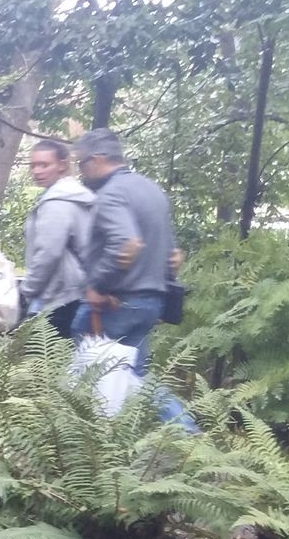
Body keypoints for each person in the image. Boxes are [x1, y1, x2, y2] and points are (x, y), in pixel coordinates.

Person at [69, 129, 181, 373]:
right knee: (133, 380)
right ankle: (181, 414)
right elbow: (174, 257)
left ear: (97, 159)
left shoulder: (111, 194)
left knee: (90, 375)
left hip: (116, 304)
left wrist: (97, 287)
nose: (81, 171)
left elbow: (127, 244)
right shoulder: (151, 189)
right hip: (151, 302)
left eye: (81, 164)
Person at [20, 139, 95, 339]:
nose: (37, 171)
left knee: (46, 363)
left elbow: (48, 253)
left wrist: (28, 289)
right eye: (33, 165)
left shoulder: (58, 202)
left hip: (59, 296)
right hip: (79, 292)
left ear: (62, 165)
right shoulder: (76, 195)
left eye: (44, 165)